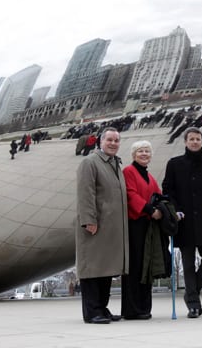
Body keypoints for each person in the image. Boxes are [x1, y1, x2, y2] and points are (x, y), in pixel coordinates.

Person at [162, 127, 202, 318]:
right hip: (185, 221)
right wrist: (175, 209)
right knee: (188, 265)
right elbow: (168, 190)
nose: (195, 142)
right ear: (185, 141)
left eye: (198, 139)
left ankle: (190, 294)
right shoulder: (174, 164)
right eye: (191, 139)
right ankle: (194, 305)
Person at [75, 127, 129, 324]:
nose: (113, 143)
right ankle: (92, 311)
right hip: (95, 225)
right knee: (92, 269)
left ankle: (102, 308)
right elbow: (85, 193)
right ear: (100, 141)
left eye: (116, 140)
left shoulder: (115, 163)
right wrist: (89, 220)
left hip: (111, 227)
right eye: (110, 140)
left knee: (106, 269)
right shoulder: (90, 162)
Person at [121, 140, 164, 320]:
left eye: (147, 151)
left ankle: (144, 307)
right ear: (134, 155)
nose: (144, 154)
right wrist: (150, 210)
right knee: (135, 266)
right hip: (135, 223)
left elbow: (158, 195)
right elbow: (130, 194)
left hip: (148, 225)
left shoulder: (150, 177)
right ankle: (132, 309)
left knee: (146, 265)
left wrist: (164, 209)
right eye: (140, 151)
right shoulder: (128, 172)